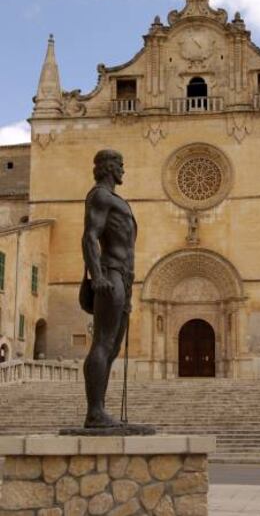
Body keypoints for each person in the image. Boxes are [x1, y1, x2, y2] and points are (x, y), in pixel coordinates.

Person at [82, 149, 137, 428]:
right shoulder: (100, 196)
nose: (123, 170)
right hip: (110, 274)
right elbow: (90, 236)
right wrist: (97, 276)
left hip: (124, 278)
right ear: (107, 168)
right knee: (103, 342)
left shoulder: (114, 198)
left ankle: (99, 410)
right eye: (120, 165)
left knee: (113, 346)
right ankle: (94, 412)